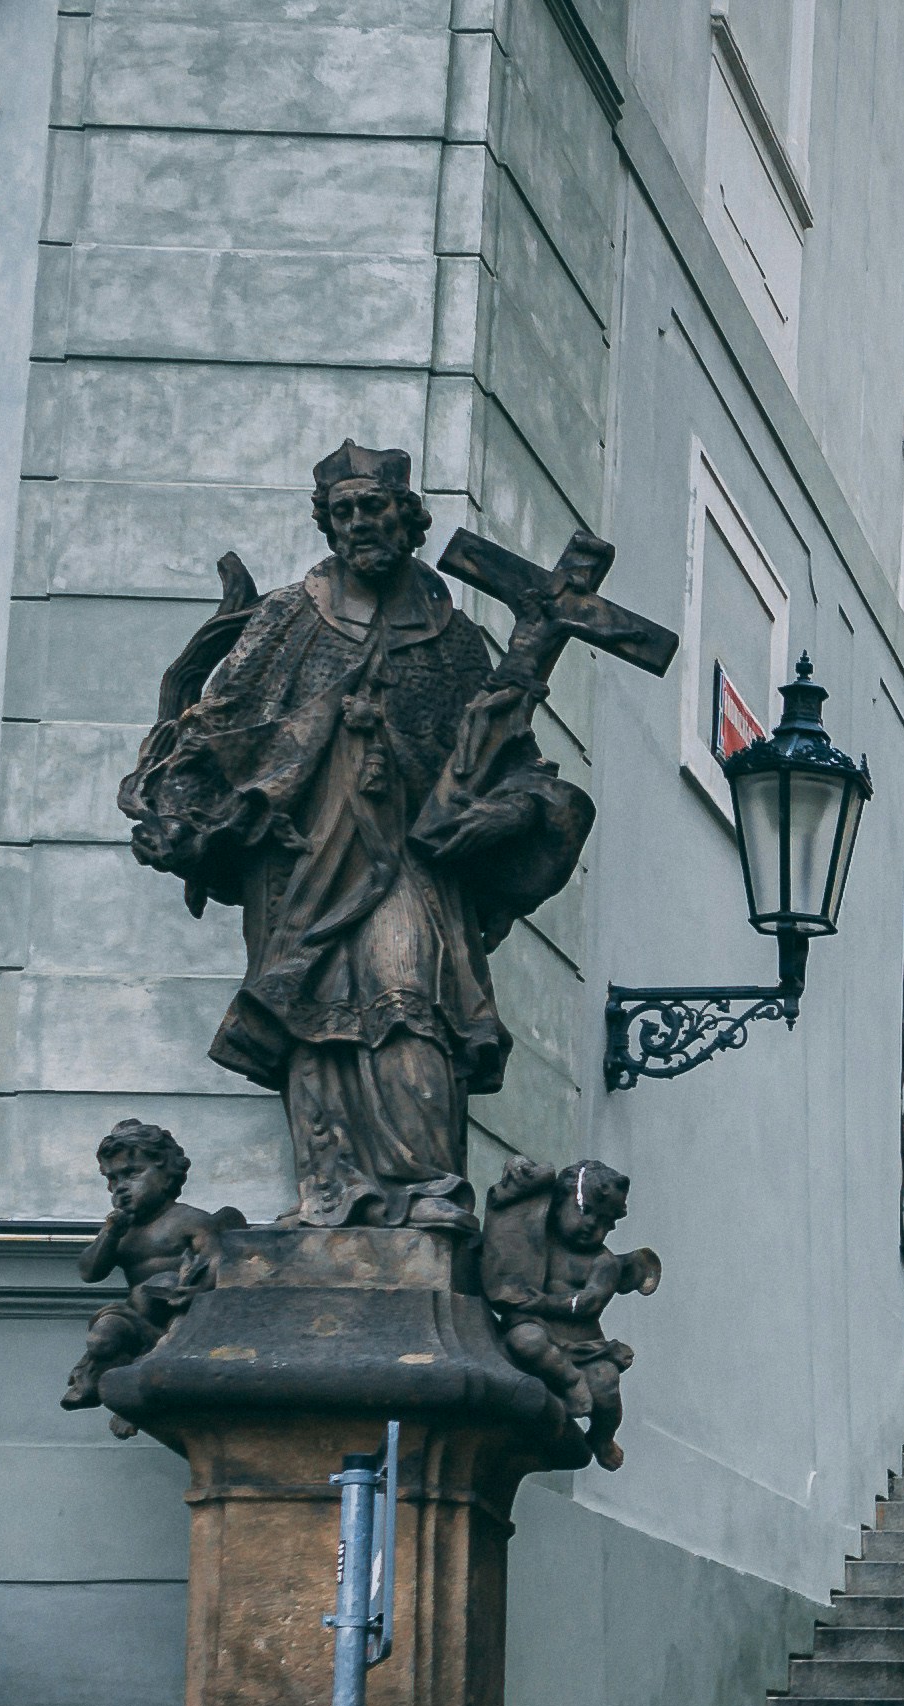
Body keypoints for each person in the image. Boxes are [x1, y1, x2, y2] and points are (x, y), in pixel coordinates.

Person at [124, 443, 594, 1228]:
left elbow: (498, 755)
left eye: (372, 508)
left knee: (410, 997)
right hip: (301, 856)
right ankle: (334, 1191)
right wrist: (184, 812)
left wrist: (518, 811)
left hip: (408, 857)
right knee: (311, 1013)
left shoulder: (449, 637)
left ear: (407, 519)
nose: (357, 525)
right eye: (342, 512)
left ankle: (426, 1185)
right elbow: (221, 724)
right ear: (328, 523)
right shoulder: (288, 617)